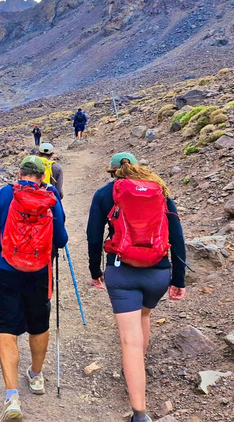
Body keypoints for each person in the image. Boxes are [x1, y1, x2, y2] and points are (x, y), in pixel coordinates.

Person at [86, 153, 186, 422]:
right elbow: (176, 234)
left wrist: (95, 271)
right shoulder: (159, 190)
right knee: (145, 315)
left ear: (113, 172)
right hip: (158, 272)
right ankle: (137, 366)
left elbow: (93, 237)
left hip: (122, 272)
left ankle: (140, 413)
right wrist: (178, 280)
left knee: (129, 341)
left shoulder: (105, 194)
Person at [0, 156, 68, 422]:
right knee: (39, 325)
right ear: (42, 176)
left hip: (8, 271)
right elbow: (62, 239)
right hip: (40, 273)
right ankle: (37, 375)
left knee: (7, 328)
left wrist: (2, 236)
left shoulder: (5, 193)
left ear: (19, 173)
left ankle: (11, 397)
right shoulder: (51, 197)